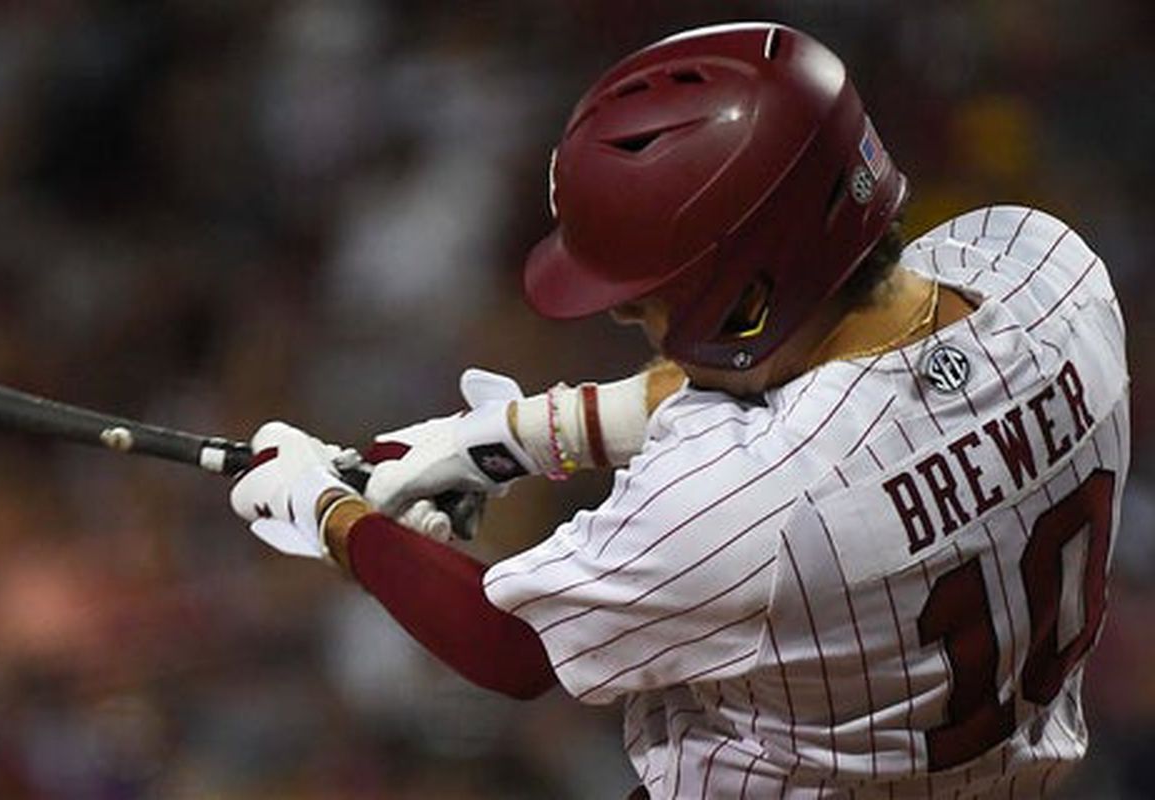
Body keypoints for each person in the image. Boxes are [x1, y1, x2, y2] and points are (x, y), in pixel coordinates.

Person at [227, 23, 1130, 798]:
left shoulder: (752, 505)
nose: (627, 315)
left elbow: (508, 649)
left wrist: (329, 511)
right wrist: (510, 440)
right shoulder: (1052, 271)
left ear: (750, 291)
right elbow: (821, 362)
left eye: (649, 293)